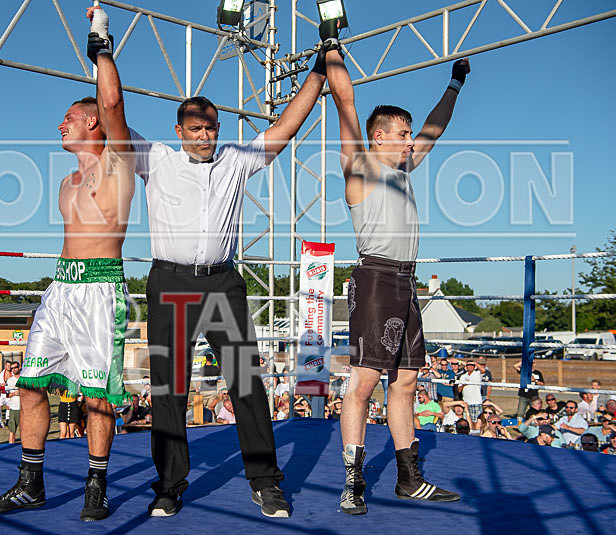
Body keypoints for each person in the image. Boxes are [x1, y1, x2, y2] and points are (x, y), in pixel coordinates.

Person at [128, 10, 330, 521]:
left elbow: (285, 127)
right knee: (169, 389)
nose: (204, 136)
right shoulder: (154, 157)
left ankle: (266, 482)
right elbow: (111, 113)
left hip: (222, 281)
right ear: (179, 130)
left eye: (210, 128)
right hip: (169, 280)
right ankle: (168, 486)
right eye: (195, 128)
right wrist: (102, 47)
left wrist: (320, 69)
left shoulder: (236, 159)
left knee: (245, 383)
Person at [0, 8, 136, 522]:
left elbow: (112, 102)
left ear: (91, 122)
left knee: (97, 397)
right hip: (61, 289)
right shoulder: (67, 183)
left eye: (68, 116)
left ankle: (96, 486)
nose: (60, 124)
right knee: (29, 384)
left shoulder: (118, 163)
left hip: (100, 291)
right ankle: (31, 484)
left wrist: (101, 43)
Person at [323, 19, 466, 514]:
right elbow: (346, 105)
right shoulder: (360, 168)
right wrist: (332, 47)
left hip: (406, 283)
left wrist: (454, 85)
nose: (410, 142)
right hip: (375, 278)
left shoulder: (403, 168)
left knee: (405, 381)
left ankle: (409, 479)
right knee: (363, 383)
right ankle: (352, 482)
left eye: (409, 135)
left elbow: (433, 129)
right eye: (402, 135)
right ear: (379, 137)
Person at [458, 361, 483, 428]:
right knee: (467, 422)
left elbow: (483, 370)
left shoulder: (477, 374)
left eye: (472, 365)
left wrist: (476, 363)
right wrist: (464, 384)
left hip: (476, 402)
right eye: (468, 365)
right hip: (466, 402)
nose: (470, 366)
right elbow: (459, 389)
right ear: (466, 367)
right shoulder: (463, 376)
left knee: (476, 422)